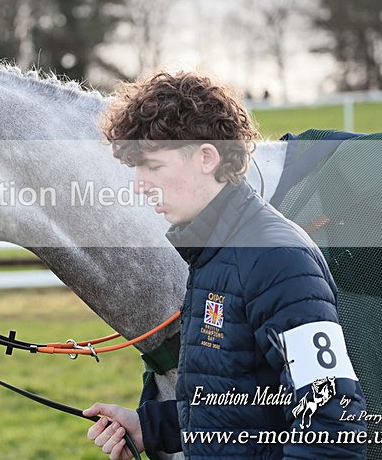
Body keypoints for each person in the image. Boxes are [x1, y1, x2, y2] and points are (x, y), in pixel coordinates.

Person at [84, 72, 366, 458]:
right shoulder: (215, 252)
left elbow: (333, 424)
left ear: (206, 157)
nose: (139, 184)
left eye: (152, 166)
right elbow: (242, 400)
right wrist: (152, 427)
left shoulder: (276, 259)